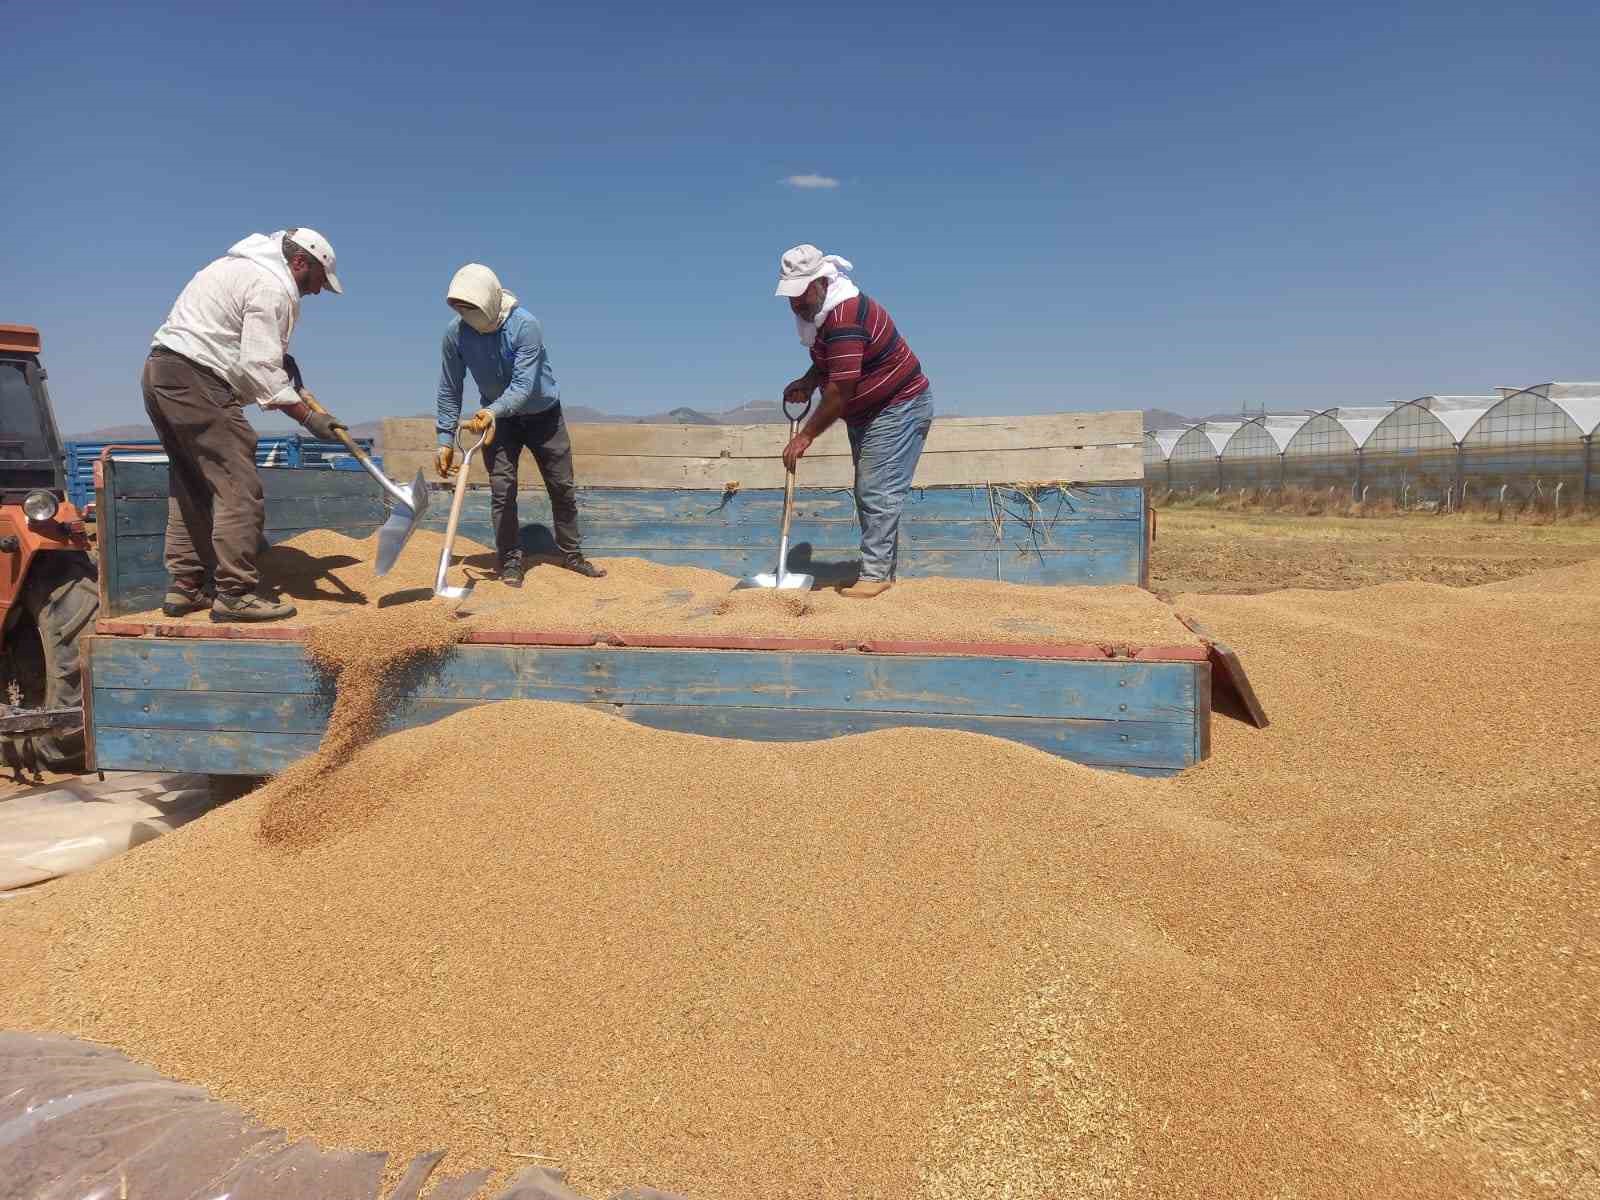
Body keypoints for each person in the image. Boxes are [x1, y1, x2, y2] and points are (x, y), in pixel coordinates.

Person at [143, 228, 350, 622]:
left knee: (190, 482)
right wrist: (309, 418)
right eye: (320, 280)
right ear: (300, 263)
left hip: (159, 372)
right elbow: (259, 368)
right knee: (238, 483)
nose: (319, 290)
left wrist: (278, 362)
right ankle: (235, 592)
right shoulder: (273, 285)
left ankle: (186, 586)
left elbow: (234, 342)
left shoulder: (235, 266)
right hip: (196, 379)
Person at [774, 245, 934, 598]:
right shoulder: (820, 316)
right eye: (790, 296)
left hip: (899, 405)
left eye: (801, 293)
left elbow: (840, 391)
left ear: (820, 282)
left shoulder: (845, 315)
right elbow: (832, 363)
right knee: (870, 490)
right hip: (868, 411)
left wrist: (805, 437)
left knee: (877, 490)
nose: (796, 303)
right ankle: (879, 571)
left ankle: (876, 576)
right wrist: (808, 381)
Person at [433, 263, 603, 585]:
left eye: (473, 309)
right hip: (499, 423)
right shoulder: (455, 335)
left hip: (543, 416)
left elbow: (524, 386)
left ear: (490, 302)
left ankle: (572, 556)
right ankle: (510, 561)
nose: (468, 316)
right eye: (461, 310)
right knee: (502, 489)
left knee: (561, 486)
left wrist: (492, 411)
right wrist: (444, 439)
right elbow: (449, 387)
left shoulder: (525, 326)